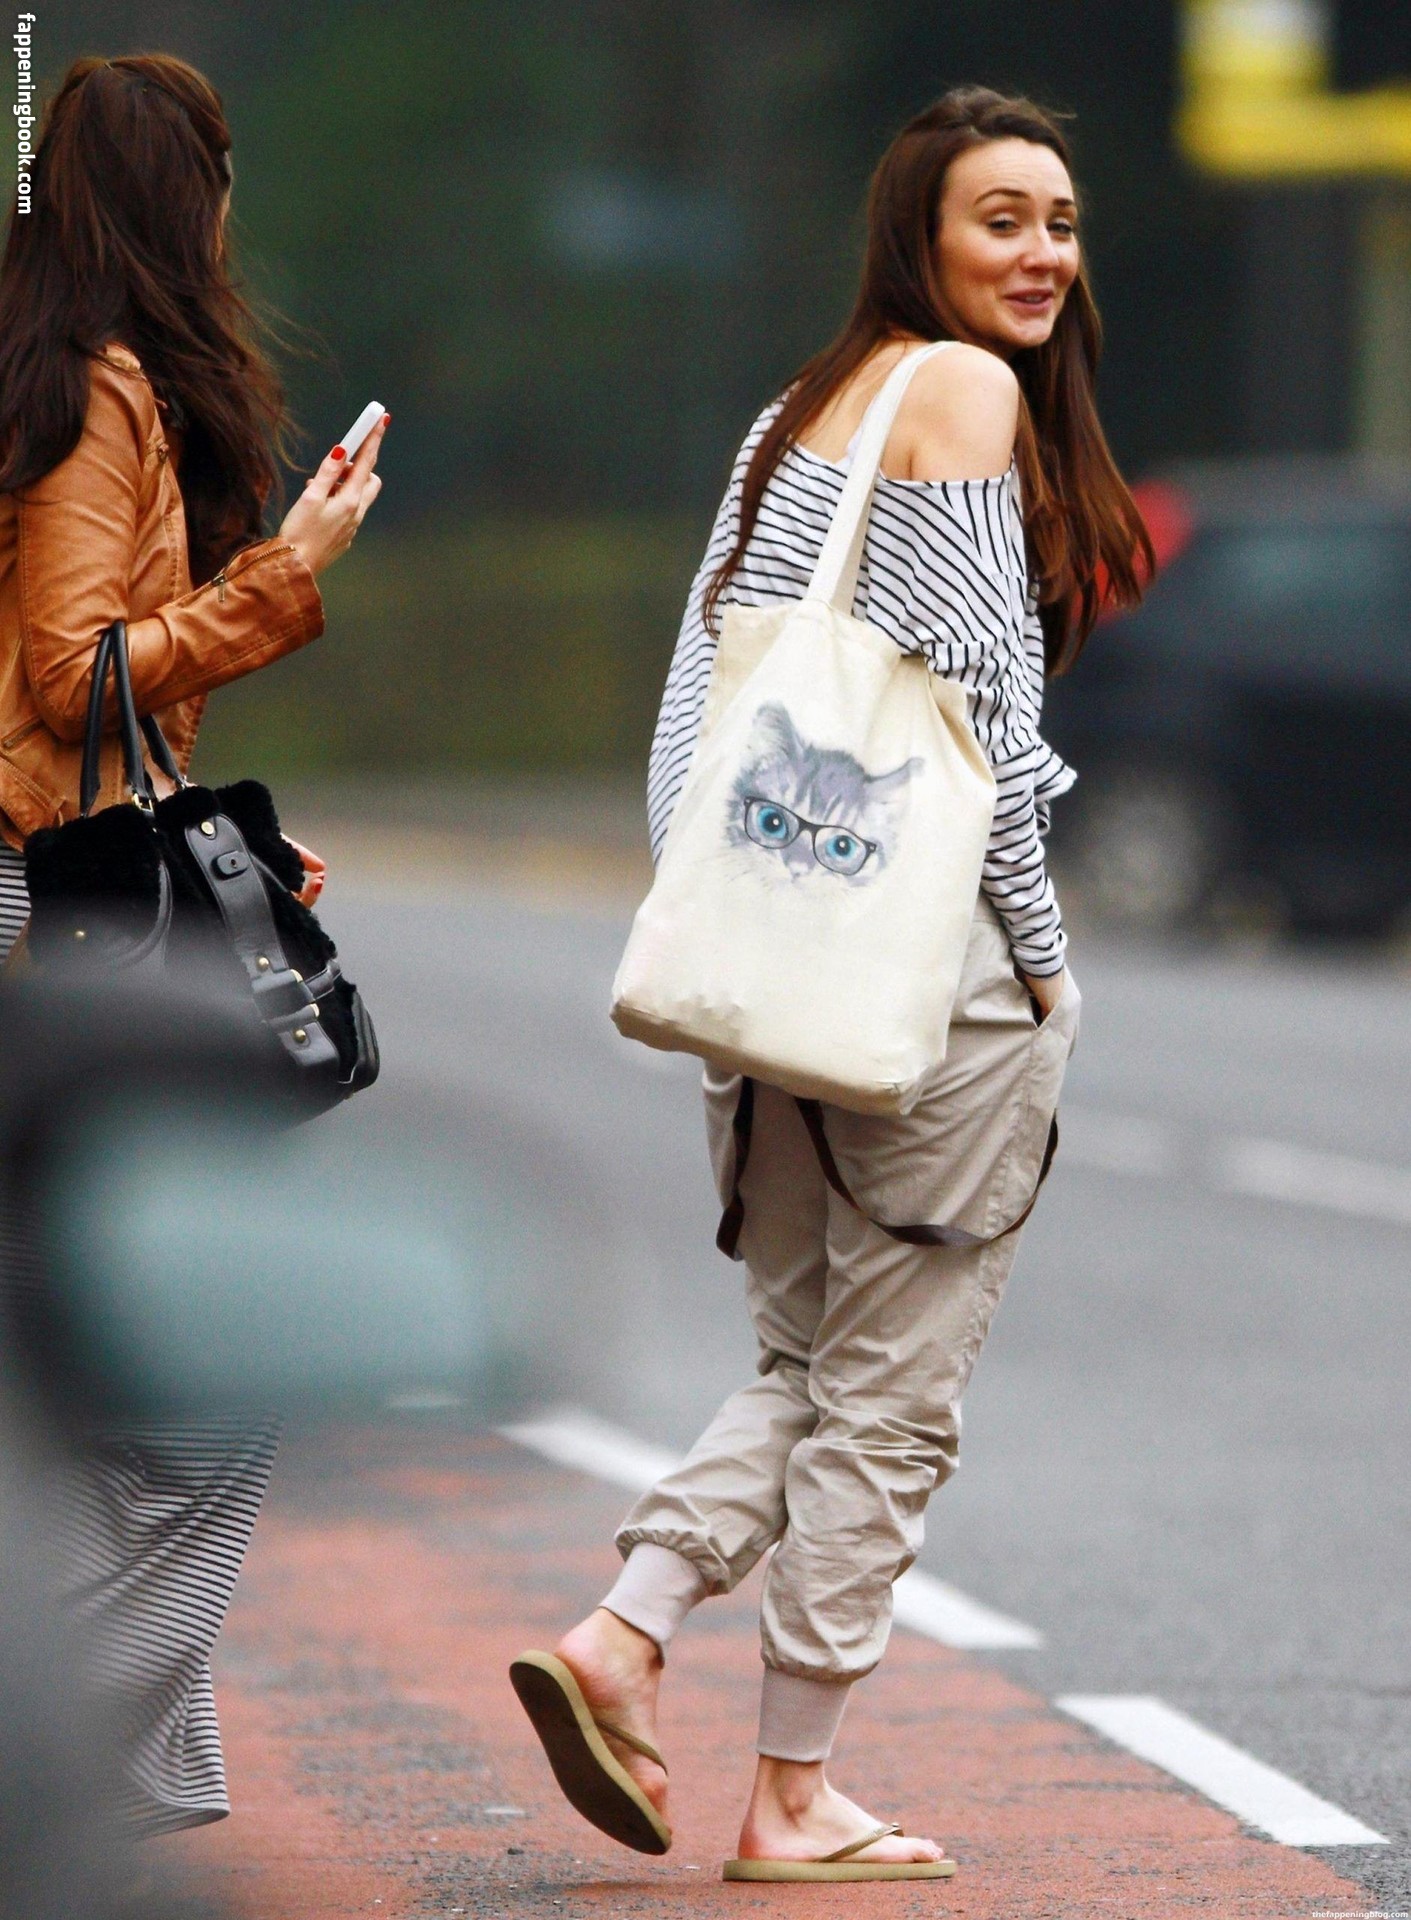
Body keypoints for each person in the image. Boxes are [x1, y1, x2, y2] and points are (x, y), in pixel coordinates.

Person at [511, 86, 1153, 1880]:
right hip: (930, 990)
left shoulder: (797, 410)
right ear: (917, 236)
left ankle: (624, 1633)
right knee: (891, 1401)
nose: (1043, 254)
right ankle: (791, 1799)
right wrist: (1045, 968)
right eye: (1001, 220)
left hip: (773, 968)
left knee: (805, 1362)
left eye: (1061, 222)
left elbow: (701, 693)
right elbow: (980, 725)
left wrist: (711, 904)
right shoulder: (968, 397)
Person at [0, 54, 385, 1834]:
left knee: (98, 1377)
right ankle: (52, 1756)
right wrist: (287, 573)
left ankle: (112, 1794)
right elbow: (68, 675)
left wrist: (205, 833)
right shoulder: (95, 389)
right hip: (37, 913)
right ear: (188, 198)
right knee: (198, 1377)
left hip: (57, 880)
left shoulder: (69, 377)